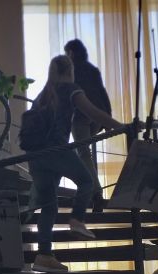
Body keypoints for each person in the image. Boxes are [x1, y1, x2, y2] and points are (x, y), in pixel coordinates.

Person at [29, 54, 126, 273]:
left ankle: (43, 255)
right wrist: (121, 127)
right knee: (86, 181)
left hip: (35, 157)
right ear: (70, 71)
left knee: (48, 206)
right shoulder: (70, 89)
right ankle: (77, 220)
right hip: (56, 149)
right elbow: (93, 112)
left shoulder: (42, 95)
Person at [64, 39, 113, 213]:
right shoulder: (92, 69)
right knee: (87, 154)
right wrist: (108, 118)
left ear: (71, 52)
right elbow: (102, 92)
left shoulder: (71, 70)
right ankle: (93, 191)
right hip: (97, 115)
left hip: (80, 115)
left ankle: (96, 194)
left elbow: (69, 97)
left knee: (84, 154)